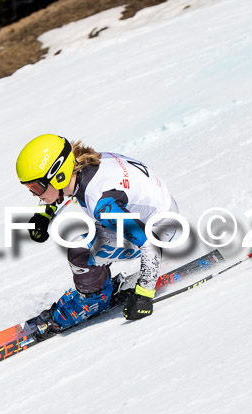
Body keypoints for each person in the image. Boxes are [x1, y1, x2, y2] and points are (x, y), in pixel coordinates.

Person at [15, 134, 178, 332]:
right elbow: (64, 189)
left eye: (35, 187)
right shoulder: (83, 166)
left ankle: (94, 300)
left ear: (58, 175)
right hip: (156, 209)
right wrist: (45, 214)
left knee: (80, 252)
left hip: (159, 229)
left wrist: (144, 296)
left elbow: (150, 244)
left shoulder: (103, 204)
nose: (34, 194)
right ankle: (99, 283)